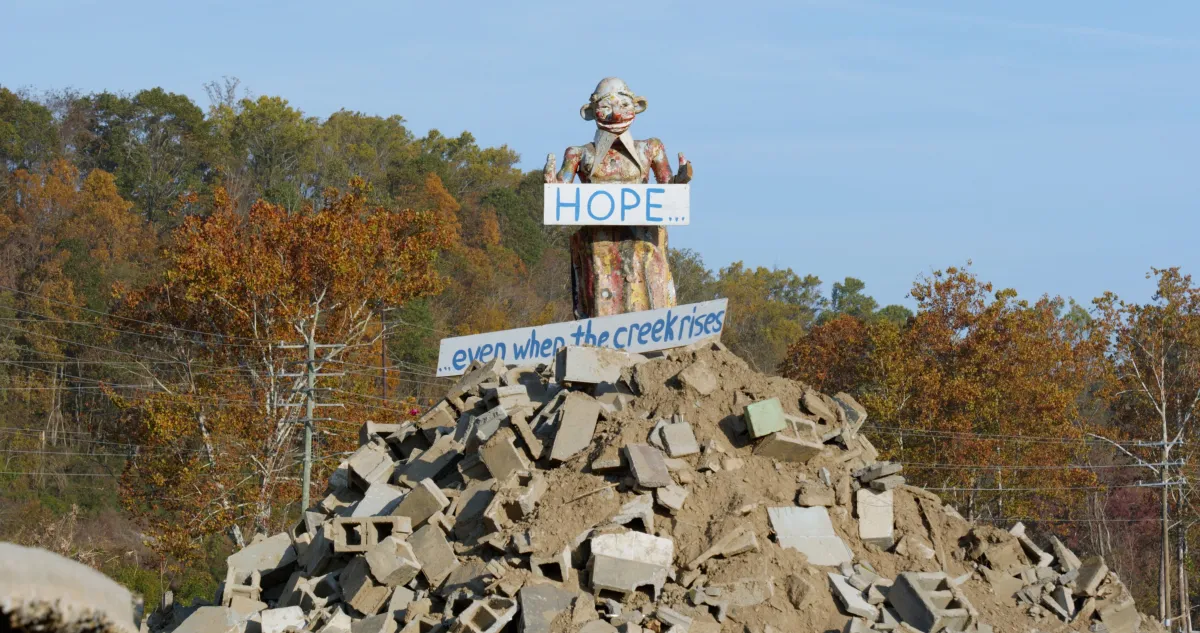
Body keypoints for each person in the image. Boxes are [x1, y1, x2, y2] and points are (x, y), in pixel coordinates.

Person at [544, 77, 693, 318]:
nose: (616, 114)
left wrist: (681, 178)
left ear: (636, 106)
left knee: (648, 294)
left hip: (644, 240)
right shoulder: (578, 153)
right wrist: (551, 181)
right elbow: (561, 190)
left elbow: (668, 186)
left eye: (624, 105)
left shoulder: (651, 148)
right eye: (606, 107)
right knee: (602, 297)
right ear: (592, 112)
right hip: (598, 242)